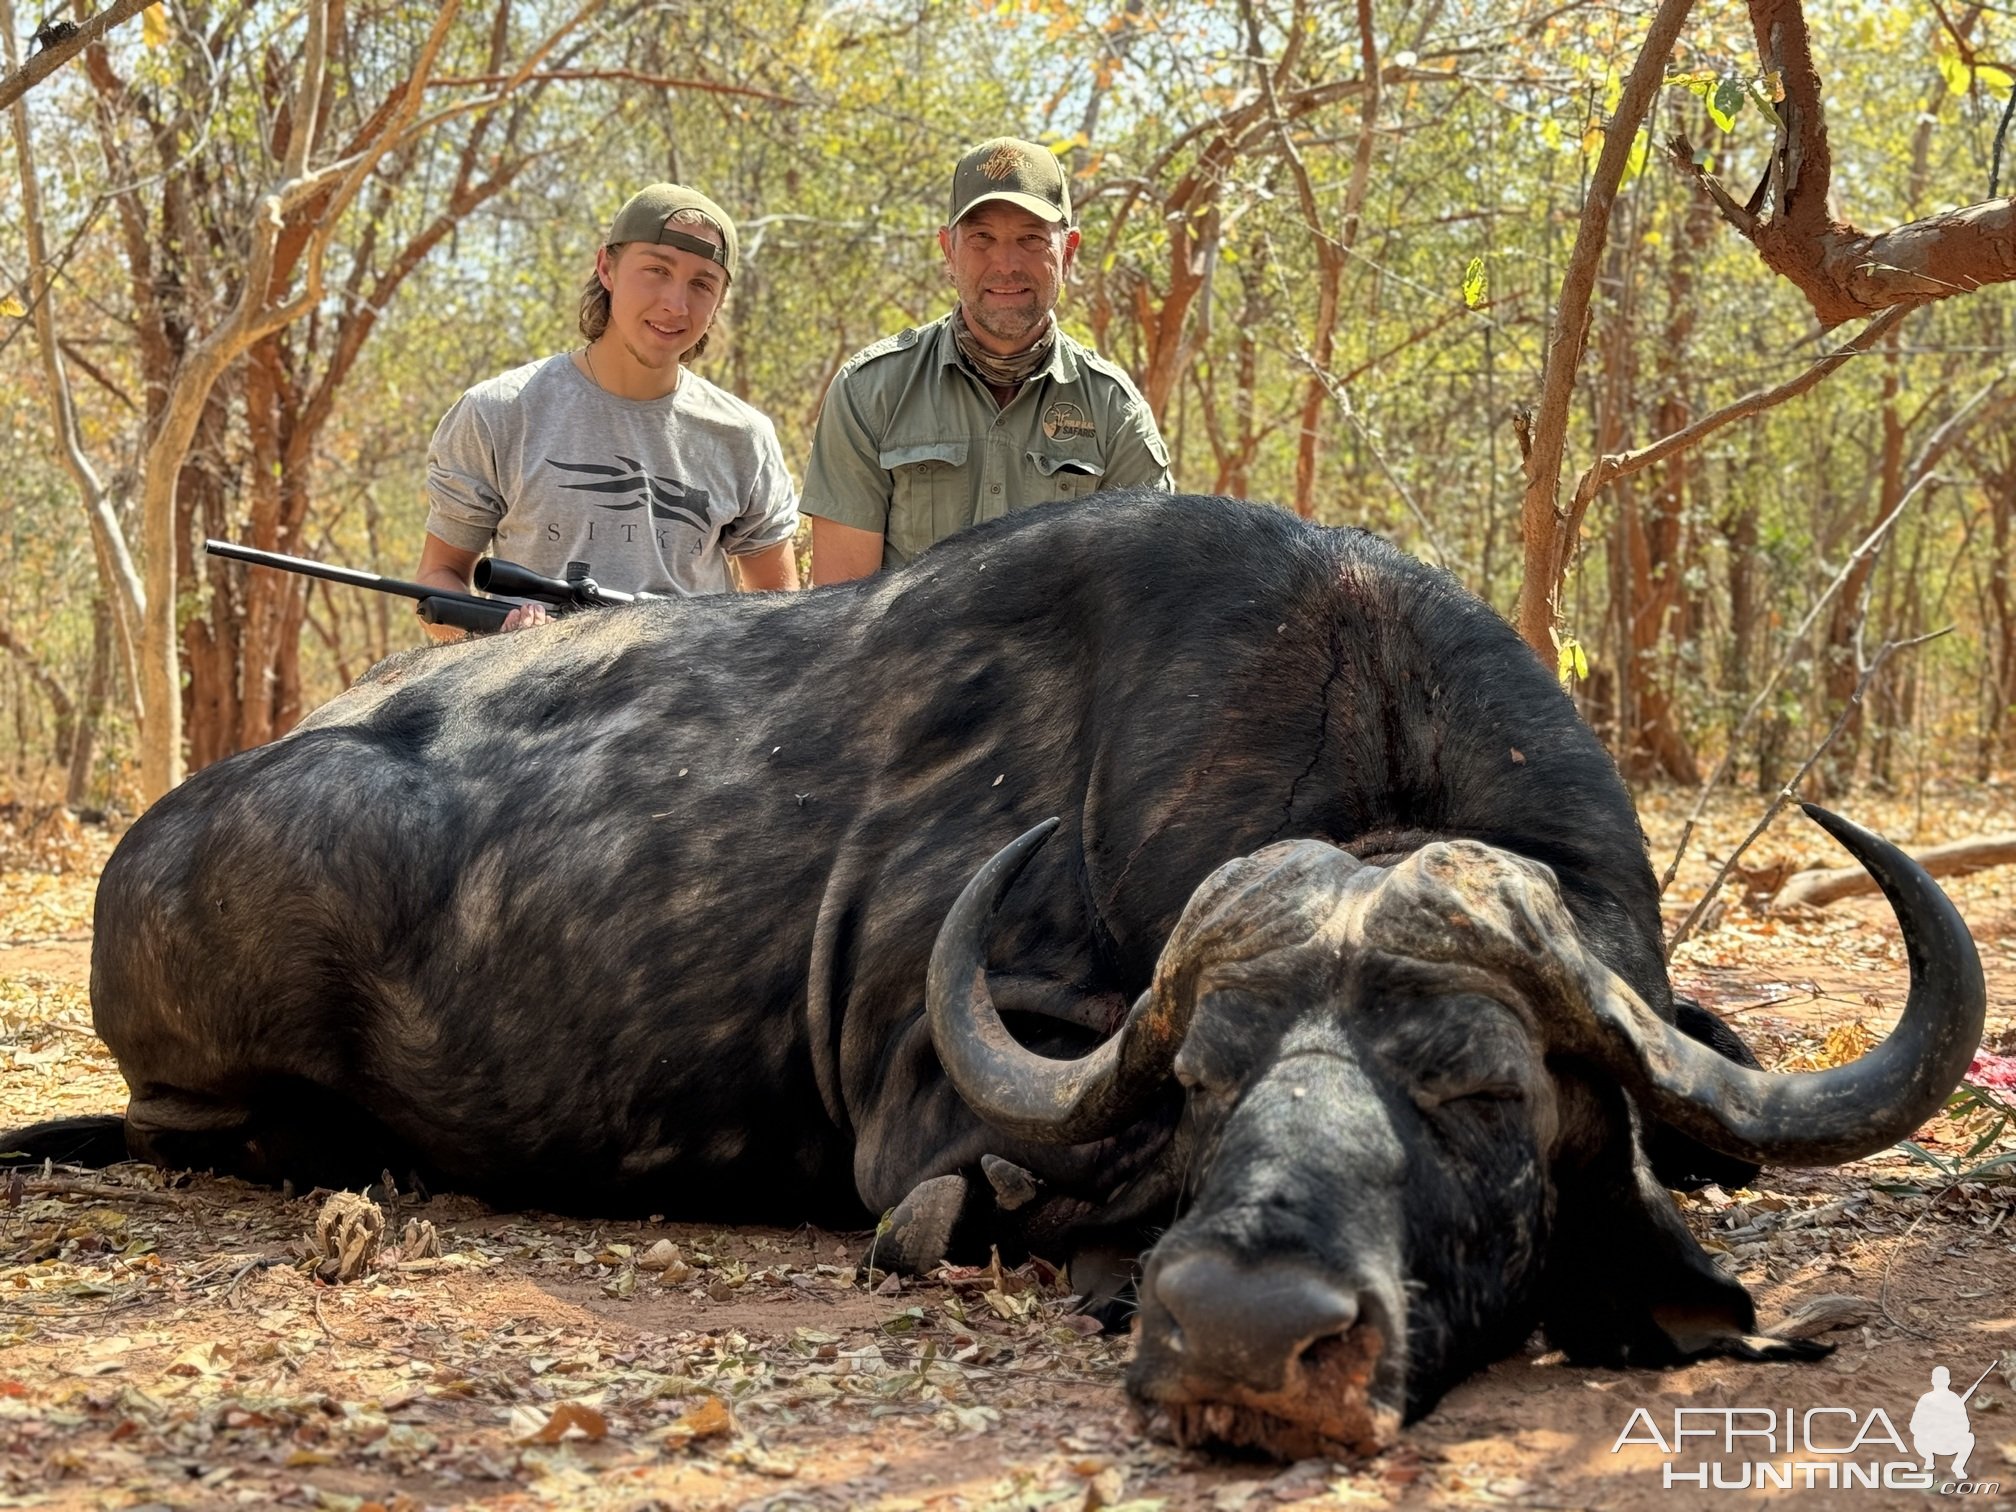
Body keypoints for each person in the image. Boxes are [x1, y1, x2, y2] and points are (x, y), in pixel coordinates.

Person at [416, 183, 800, 638]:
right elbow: (439, 578)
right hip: (531, 702)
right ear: (607, 268)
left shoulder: (744, 437)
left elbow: (778, 619)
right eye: (657, 270)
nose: (675, 304)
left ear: (719, 302)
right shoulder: (498, 412)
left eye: (702, 283)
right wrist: (499, 646)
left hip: (688, 704)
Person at [801, 137, 1172, 584]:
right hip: (908, 656)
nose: (1006, 263)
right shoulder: (871, 393)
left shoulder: (1115, 413)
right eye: (982, 238)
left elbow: (1140, 603)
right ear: (948, 251)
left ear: (1068, 252)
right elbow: (840, 612)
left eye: (1031, 238)